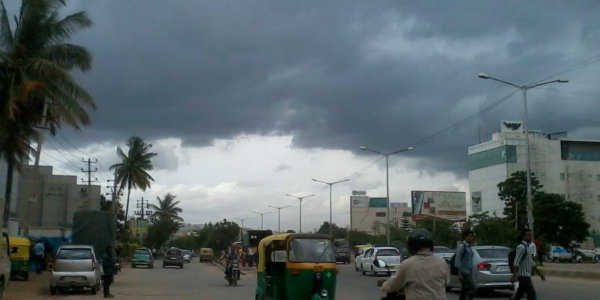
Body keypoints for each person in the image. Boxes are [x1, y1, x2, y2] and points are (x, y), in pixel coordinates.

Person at [381, 228, 449, 300]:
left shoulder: (408, 264)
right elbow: (446, 282)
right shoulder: (441, 262)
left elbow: (392, 285)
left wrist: (384, 285)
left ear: (411, 246)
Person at [511, 229, 546, 300]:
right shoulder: (522, 247)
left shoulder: (529, 247)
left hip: (526, 275)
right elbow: (516, 262)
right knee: (532, 295)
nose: (530, 238)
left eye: (531, 236)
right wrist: (514, 275)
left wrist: (540, 274)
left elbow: (531, 263)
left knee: (519, 294)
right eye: (528, 236)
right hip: (523, 276)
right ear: (524, 236)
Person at [455, 230, 476, 300]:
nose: (472, 238)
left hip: (469, 271)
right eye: (470, 236)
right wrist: (459, 273)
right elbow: (457, 259)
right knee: (472, 288)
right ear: (465, 237)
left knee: (464, 290)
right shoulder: (462, 246)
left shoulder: (469, 247)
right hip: (464, 272)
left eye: (472, 237)